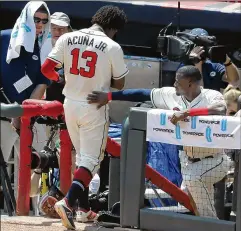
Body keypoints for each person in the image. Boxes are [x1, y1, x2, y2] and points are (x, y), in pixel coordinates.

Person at [87, 65, 233, 218]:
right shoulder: (171, 95)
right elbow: (142, 94)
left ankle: (211, 225)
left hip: (214, 159)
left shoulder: (210, 95)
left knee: (196, 187)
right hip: (187, 160)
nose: (174, 84)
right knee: (191, 201)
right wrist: (109, 96)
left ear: (190, 83)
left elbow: (220, 108)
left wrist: (188, 113)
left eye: (178, 81)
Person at [41, 5, 128, 229]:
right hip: (94, 105)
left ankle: (83, 209)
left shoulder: (68, 37)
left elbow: (47, 68)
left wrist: (60, 78)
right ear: (113, 28)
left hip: (69, 102)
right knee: (92, 160)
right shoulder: (112, 45)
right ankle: (68, 202)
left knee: (82, 158)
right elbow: (120, 83)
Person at [186, 28, 240, 92]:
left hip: (212, 101)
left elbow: (234, 81)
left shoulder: (213, 65)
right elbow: (196, 93)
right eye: (198, 46)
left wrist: (227, 61)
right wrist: (197, 64)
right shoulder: (184, 66)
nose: (202, 49)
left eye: (204, 45)